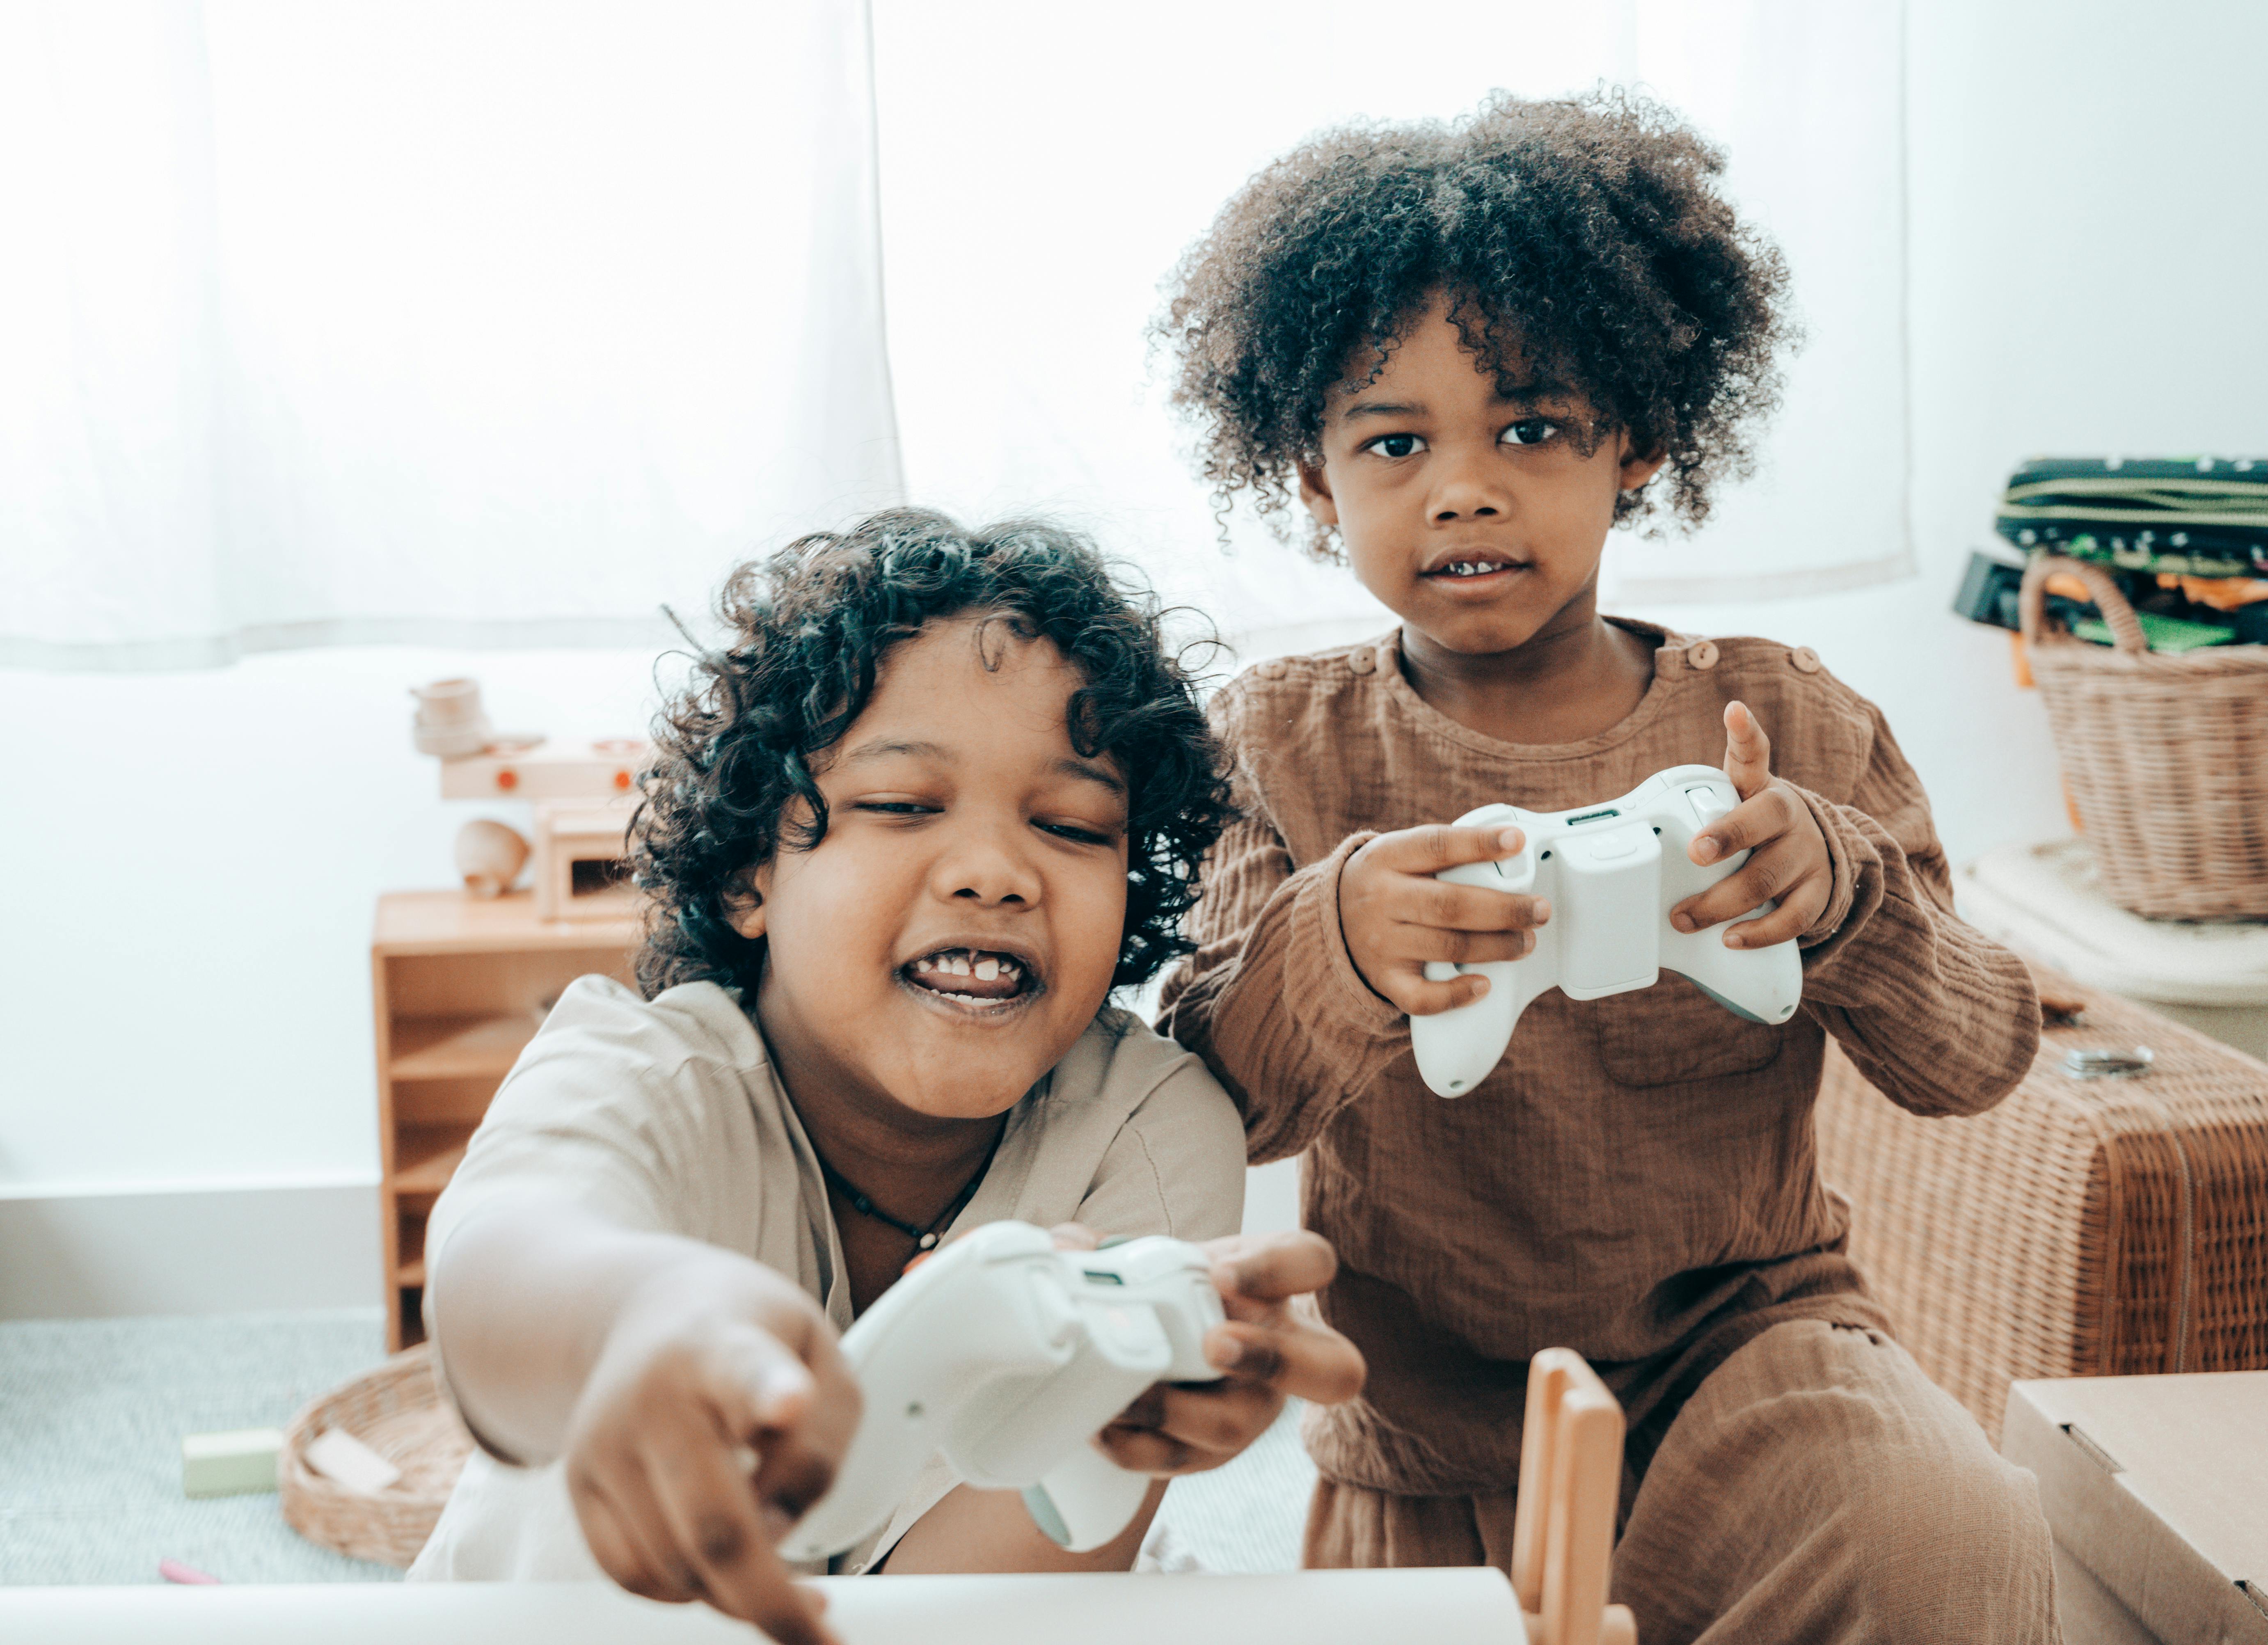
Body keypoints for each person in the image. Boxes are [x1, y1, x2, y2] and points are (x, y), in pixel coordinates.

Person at [1153, 91, 2060, 1644]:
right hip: (1427, 1424)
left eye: (1533, 428)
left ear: (1637, 440)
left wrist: (1837, 898)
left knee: (1952, 1549)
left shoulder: (1787, 720)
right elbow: (1204, 1110)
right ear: (1313, 481)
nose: (1466, 487)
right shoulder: (1279, 747)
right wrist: (1342, 948)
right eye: (1393, 441)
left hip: (1754, 1356)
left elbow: (1979, 1053)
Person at [408, 510, 1366, 1645]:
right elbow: (495, 1261)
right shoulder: (645, 1067)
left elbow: (967, 1612)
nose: (996, 872)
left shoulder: (1150, 1135)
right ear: (752, 872)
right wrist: (635, 1322)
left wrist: (1092, 1422)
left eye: (1068, 823)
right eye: (905, 805)